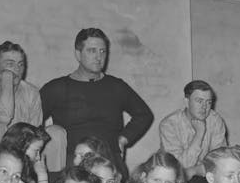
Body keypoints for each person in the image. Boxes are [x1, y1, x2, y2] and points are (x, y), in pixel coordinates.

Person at [40, 28, 154, 167]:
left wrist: (124, 139)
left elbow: (144, 114)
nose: (98, 57)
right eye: (92, 51)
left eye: (102, 51)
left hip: (109, 162)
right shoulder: (57, 88)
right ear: (78, 54)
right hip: (72, 165)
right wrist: (49, 148)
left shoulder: (116, 86)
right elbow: (32, 122)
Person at [0, 40, 67, 170]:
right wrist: (6, 78)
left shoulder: (31, 92)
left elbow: (34, 134)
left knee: (56, 133)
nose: (17, 69)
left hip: (25, 152)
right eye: (10, 64)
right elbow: (4, 116)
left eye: (20, 64)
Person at [158, 79, 228, 183]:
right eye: (199, 101)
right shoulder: (169, 124)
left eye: (208, 102)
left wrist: (195, 170)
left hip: (206, 177)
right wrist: (199, 134)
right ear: (186, 101)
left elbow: (220, 163)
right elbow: (180, 168)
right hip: (174, 181)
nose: (204, 107)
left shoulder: (215, 121)